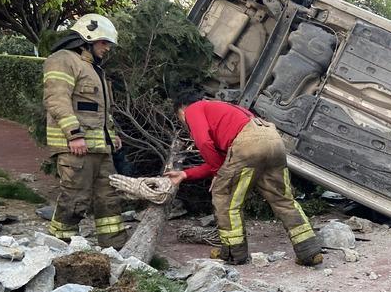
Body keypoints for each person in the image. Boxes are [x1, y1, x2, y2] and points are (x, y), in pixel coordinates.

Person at [165, 91, 323, 266]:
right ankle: (309, 250)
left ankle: (234, 253)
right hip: (272, 140)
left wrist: (218, 173)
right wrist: (185, 174)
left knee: (225, 197)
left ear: (181, 112)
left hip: (247, 144)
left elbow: (204, 143)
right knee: (282, 199)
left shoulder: (193, 109)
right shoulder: (223, 111)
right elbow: (225, 163)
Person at [43, 13, 127, 248]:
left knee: (109, 201)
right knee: (75, 199)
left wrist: (111, 135)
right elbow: (57, 100)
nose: (107, 48)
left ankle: (116, 250)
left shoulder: (94, 69)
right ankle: (59, 248)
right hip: (76, 148)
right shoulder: (63, 60)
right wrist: (74, 135)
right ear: (87, 38)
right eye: (104, 42)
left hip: (101, 149)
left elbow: (98, 110)